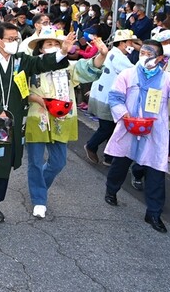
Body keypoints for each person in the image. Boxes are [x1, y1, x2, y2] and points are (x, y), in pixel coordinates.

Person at [0, 23, 73, 222]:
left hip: (10, 122)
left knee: (3, 161)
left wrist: (63, 52)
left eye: (16, 39)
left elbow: (41, 64)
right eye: (10, 39)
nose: (14, 42)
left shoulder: (21, 60)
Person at [104, 40, 170, 233]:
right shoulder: (128, 74)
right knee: (120, 163)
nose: (144, 56)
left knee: (156, 170)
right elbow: (115, 97)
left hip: (155, 131)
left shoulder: (168, 78)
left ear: (160, 58)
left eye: (148, 53)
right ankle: (111, 191)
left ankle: (153, 213)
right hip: (128, 126)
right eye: (142, 52)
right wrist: (126, 116)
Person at [24, 28, 108, 218]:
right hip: (38, 117)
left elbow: (89, 67)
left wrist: (102, 54)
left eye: (56, 44)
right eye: (49, 44)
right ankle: (39, 199)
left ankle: (40, 187)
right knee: (35, 162)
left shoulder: (69, 67)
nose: (53, 47)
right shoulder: (30, 65)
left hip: (63, 118)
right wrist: (37, 100)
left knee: (58, 161)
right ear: (40, 48)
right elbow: (21, 89)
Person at [85, 30, 140, 165]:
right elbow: (134, 74)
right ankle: (92, 146)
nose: (132, 45)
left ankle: (109, 156)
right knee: (107, 128)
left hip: (103, 96)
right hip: (107, 98)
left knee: (111, 127)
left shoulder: (113, 53)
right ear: (122, 43)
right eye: (130, 42)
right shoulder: (119, 57)